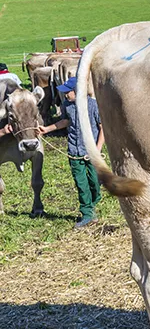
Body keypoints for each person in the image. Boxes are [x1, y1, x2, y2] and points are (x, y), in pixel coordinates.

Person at [38, 76, 104, 228]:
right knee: (81, 183)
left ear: (78, 91)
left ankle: (93, 200)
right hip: (73, 151)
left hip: (90, 151)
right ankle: (87, 213)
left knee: (94, 181)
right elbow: (66, 121)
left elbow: (103, 128)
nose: (66, 95)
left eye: (68, 92)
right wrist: (47, 129)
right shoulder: (67, 105)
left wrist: (97, 149)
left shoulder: (93, 106)